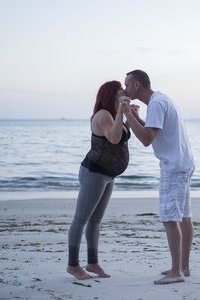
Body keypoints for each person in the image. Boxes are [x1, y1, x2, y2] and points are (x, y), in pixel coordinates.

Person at [123, 70, 195, 284]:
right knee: (184, 217)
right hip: (183, 163)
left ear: (136, 85)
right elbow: (155, 130)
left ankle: (177, 272)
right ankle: (183, 267)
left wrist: (127, 114)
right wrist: (135, 117)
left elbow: (146, 139)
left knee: (170, 218)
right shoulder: (161, 99)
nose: (125, 89)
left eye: (127, 85)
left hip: (173, 166)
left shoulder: (156, 103)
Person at [67, 80, 132, 280]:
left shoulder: (113, 115)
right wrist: (122, 110)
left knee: (96, 221)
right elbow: (113, 138)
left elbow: (122, 135)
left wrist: (129, 116)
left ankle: (93, 263)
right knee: (81, 220)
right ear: (111, 95)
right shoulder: (103, 115)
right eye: (120, 94)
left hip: (108, 175)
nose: (123, 96)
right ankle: (73, 265)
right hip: (94, 173)